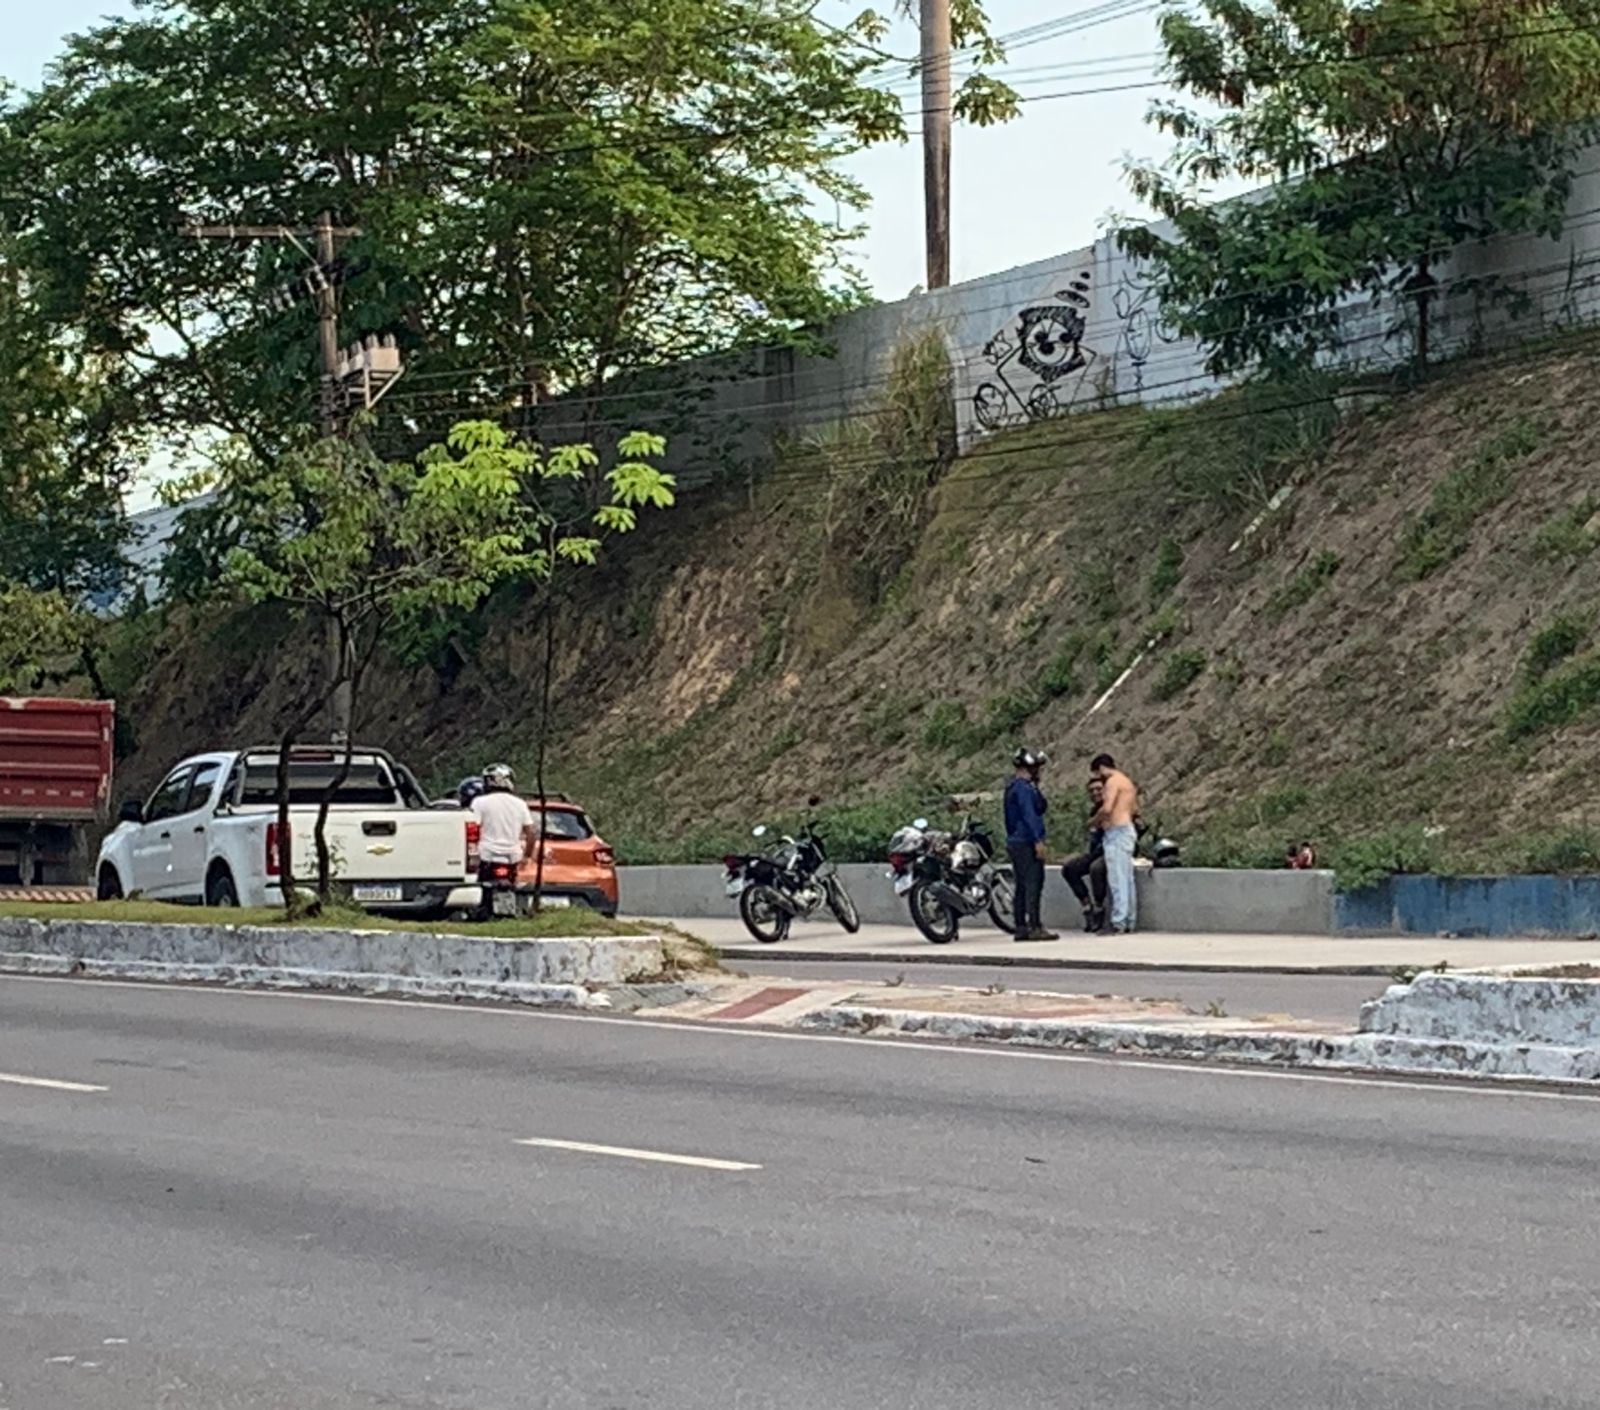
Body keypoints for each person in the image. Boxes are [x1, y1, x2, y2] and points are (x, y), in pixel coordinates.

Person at [1004, 746, 1057, 942]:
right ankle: (1034, 925)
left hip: (1015, 841)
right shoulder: (1024, 789)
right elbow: (1030, 815)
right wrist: (1037, 840)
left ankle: (1021, 925)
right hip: (1026, 840)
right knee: (1033, 883)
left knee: (1021, 885)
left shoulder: (1013, 787)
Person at [1090, 753, 1139, 934]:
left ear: (1102, 768)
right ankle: (1129, 919)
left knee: (1117, 880)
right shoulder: (1127, 782)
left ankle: (1118, 921)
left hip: (1117, 832)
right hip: (1127, 829)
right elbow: (1134, 809)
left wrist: (1094, 821)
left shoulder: (1112, 782)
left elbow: (1107, 808)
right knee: (1127, 879)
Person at [1061, 779, 1109, 933]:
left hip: (1111, 852)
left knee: (1096, 869)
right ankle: (1087, 906)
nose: (1095, 793)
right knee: (1069, 868)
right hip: (1095, 852)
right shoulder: (1094, 811)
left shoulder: (1112, 808)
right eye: (1092, 791)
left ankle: (1099, 910)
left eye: (1098, 789)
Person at [469, 762, 537, 871]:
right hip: (513, 857)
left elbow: (472, 830)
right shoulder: (520, 804)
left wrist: (472, 855)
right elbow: (531, 833)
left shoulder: (479, 802)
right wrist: (526, 857)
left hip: (486, 856)